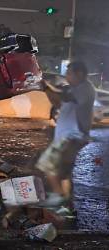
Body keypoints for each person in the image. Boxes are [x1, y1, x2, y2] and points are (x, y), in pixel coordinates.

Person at [36, 61, 95, 210]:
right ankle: (67, 204)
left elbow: (64, 97)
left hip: (71, 136)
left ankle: (59, 197)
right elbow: (58, 102)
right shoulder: (75, 89)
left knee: (47, 165)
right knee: (64, 171)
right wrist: (46, 89)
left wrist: (45, 86)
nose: (67, 77)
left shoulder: (84, 88)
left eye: (69, 73)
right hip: (68, 136)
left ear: (79, 73)